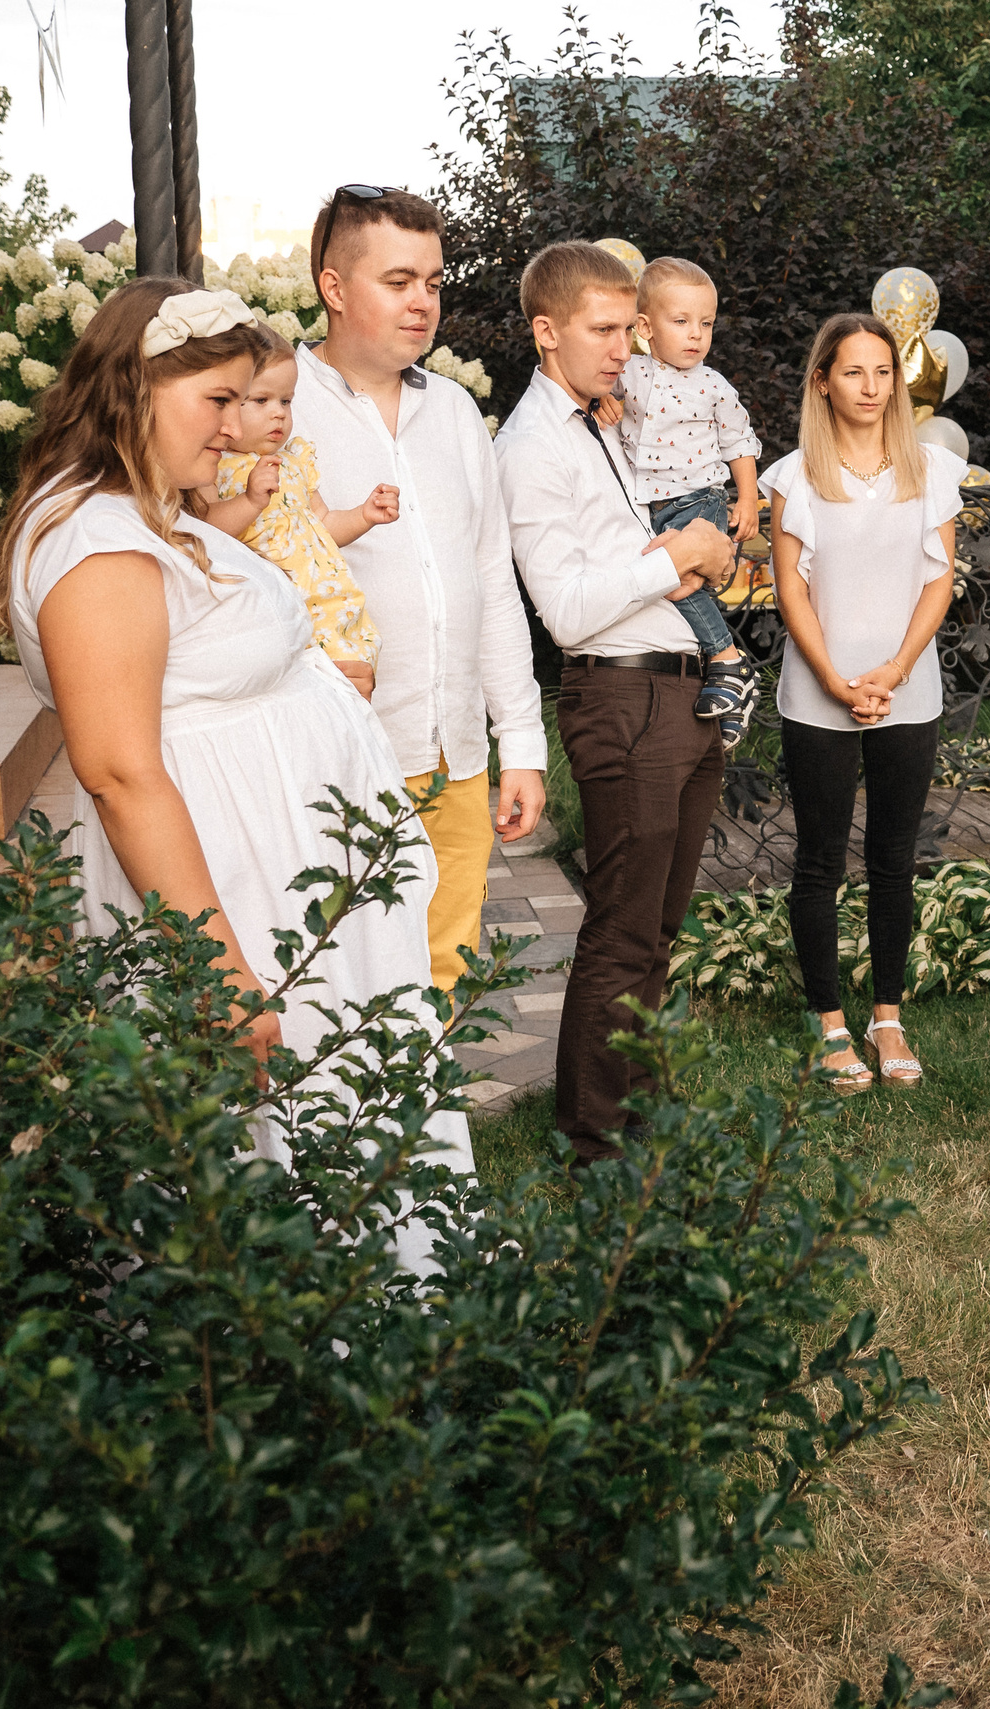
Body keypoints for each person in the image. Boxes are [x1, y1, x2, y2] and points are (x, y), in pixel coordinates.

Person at [0, 277, 469, 1269]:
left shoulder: (146, 510)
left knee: (335, 1115)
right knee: (276, 1140)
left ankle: (381, 1325)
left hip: (281, 868)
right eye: (219, 402)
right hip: (235, 886)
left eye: (251, 400)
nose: (242, 429)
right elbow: (120, 769)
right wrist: (217, 976)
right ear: (132, 386)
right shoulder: (96, 540)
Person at [498, 241, 738, 1161]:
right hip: (622, 701)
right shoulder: (530, 447)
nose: (623, 348)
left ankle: (640, 1110)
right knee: (622, 927)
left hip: (679, 697)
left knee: (659, 925)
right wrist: (678, 556)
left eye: (628, 327)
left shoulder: (608, 421)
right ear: (546, 331)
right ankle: (594, 1141)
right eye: (603, 331)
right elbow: (563, 608)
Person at [290, 185, 547, 989]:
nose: (423, 303)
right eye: (399, 281)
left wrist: (523, 744)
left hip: (456, 755)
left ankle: (424, 1116)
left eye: (434, 283)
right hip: (338, 758)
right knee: (339, 974)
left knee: (443, 968)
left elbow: (491, 584)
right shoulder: (277, 410)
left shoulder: (458, 415)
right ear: (334, 288)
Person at [762, 312, 966, 1092]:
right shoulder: (793, 477)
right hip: (819, 698)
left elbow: (938, 580)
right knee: (819, 862)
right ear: (823, 380)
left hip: (908, 693)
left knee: (892, 862)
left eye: (883, 372)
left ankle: (887, 1016)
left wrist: (894, 668)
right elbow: (792, 589)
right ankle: (829, 1022)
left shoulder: (931, 472)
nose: (872, 387)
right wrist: (836, 678)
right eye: (854, 372)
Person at [611, 256, 764, 752]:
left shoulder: (713, 385)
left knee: (678, 584)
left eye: (706, 323)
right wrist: (600, 403)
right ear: (644, 327)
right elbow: (586, 390)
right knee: (670, 587)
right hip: (648, 507)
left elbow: (739, 441)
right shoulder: (626, 372)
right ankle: (727, 681)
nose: (696, 334)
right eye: (681, 322)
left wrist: (747, 496)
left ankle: (725, 660)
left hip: (701, 498)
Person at [197, 323, 398, 699]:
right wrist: (249, 501)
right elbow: (209, 527)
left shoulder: (293, 462)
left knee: (351, 683)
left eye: (286, 402)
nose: (278, 414)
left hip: (329, 598)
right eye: (261, 401)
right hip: (284, 607)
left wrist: (363, 515)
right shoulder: (216, 466)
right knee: (314, 692)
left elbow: (323, 524)